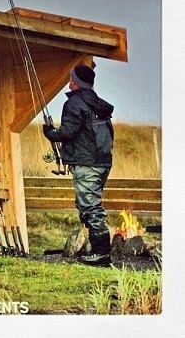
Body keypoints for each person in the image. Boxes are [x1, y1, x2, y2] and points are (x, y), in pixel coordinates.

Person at [43, 64, 115, 266]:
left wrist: (50, 132)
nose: (68, 81)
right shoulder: (98, 103)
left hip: (86, 163)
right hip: (102, 162)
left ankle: (101, 254)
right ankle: (97, 249)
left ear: (74, 82)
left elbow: (68, 132)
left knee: (90, 207)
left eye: (70, 78)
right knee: (90, 205)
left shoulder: (75, 103)